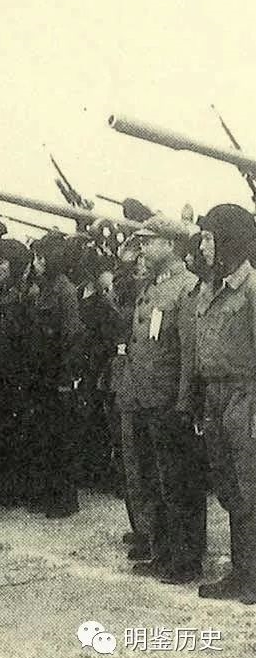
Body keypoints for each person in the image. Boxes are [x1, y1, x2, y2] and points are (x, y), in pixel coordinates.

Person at [119, 220, 205, 584]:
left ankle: (186, 560)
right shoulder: (152, 286)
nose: (142, 248)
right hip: (145, 399)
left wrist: (185, 402)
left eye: (149, 242)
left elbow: (189, 353)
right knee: (154, 481)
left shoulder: (186, 287)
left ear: (170, 245)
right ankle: (163, 552)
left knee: (178, 484)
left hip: (169, 402)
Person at [191, 204, 256, 603]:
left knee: (251, 487)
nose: (203, 246)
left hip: (245, 396)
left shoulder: (251, 290)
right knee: (229, 486)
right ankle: (241, 570)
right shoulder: (210, 287)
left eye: (209, 238)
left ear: (229, 241)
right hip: (215, 396)